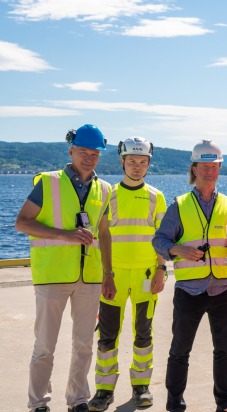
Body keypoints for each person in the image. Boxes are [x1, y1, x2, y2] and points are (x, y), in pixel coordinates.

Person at [16, 124, 116, 412]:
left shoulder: (105, 189)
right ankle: (37, 402)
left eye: (95, 153)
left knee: (84, 344)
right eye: (83, 151)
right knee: (45, 345)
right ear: (70, 150)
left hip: (90, 278)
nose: (89, 157)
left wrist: (109, 275)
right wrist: (65, 235)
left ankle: (78, 399)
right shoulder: (48, 183)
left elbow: (105, 234)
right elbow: (22, 222)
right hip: (52, 276)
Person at [152, 140, 227, 412]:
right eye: (204, 166)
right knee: (180, 351)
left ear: (219, 168)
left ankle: (224, 404)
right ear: (194, 168)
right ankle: (174, 404)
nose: (209, 171)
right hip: (189, 291)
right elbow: (159, 240)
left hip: (224, 288)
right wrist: (176, 249)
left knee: (224, 351)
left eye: (214, 167)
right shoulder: (179, 205)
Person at [88, 137, 167, 411]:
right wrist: (106, 274)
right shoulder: (108, 194)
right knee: (108, 334)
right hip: (114, 276)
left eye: (142, 162)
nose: (137, 166)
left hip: (146, 275)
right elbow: (103, 234)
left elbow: (162, 237)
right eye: (131, 161)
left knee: (143, 333)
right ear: (122, 162)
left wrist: (161, 269)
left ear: (148, 165)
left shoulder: (157, 196)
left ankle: (141, 387)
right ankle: (103, 389)